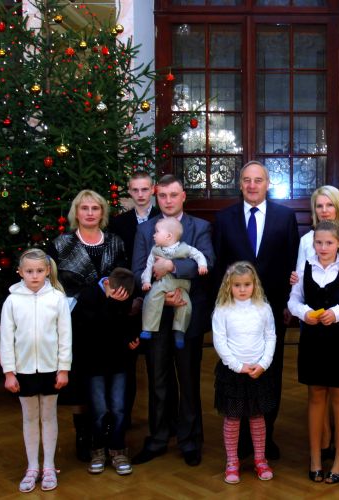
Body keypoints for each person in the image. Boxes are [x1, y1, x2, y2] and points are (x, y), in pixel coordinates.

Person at [214, 160, 300, 459]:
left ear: (267, 184)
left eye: (258, 180)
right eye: (247, 180)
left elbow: (292, 262)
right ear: (240, 184)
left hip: (272, 309)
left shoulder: (285, 217)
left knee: (270, 373)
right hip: (234, 312)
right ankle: (239, 441)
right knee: (236, 373)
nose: (252, 185)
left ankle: (266, 438)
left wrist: (289, 303)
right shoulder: (224, 219)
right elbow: (218, 266)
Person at [131, 174, 215, 467]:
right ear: (157, 197)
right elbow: (137, 270)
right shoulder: (145, 230)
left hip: (188, 313)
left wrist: (172, 266)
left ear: (183, 196)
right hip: (155, 315)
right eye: (163, 195)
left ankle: (189, 441)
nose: (168, 201)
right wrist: (162, 295)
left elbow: (207, 263)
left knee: (188, 380)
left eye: (173, 195)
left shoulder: (199, 227)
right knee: (158, 379)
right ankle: (157, 438)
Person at [47, 189, 127, 462]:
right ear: (76, 213)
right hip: (77, 323)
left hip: (111, 323)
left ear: (102, 213)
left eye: (95, 208)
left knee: (111, 383)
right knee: (82, 383)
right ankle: (85, 436)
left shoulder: (116, 241)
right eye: (85, 208)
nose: (90, 213)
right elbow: (53, 284)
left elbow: (124, 278)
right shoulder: (61, 244)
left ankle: (110, 438)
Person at [288, 221, 339, 484]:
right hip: (312, 342)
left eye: (329, 243)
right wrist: (304, 313)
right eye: (319, 243)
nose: (323, 248)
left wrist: (337, 313)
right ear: (313, 243)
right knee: (315, 397)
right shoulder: (304, 268)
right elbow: (294, 300)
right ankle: (315, 457)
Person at [0, 248, 72, 493]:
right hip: (23, 370)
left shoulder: (57, 299)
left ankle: (49, 466)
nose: (34, 276)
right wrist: (9, 372)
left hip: (51, 369)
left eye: (39, 271)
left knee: (49, 416)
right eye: (29, 271)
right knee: (29, 418)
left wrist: (63, 368)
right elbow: (6, 338)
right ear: (20, 272)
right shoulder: (12, 301)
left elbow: (65, 336)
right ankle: (32, 467)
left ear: (47, 271)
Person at [212, 262, 277, 484]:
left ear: (254, 284)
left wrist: (264, 363)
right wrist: (237, 366)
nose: (242, 289)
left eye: (247, 284)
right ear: (228, 286)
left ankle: (260, 459)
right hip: (234, 373)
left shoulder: (263, 308)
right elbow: (220, 341)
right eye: (237, 285)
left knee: (257, 417)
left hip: (258, 371)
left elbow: (270, 336)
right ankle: (232, 461)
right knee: (233, 417)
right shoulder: (222, 310)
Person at [72, 267, 138, 476]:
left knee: (119, 408)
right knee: (98, 409)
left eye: (124, 296)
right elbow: (91, 327)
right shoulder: (89, 295)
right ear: (107, 283)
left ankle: (118, 448)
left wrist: (132, 339)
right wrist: (111, 303)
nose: (121, 298)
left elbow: (127, 323)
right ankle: (98, 449)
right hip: (94, 364)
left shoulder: (125, 294)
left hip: (119, 362)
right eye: (117, 294)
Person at [107, 170, 160, 430]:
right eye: (135, 190)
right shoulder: (119, 223)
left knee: (157, 364)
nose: (140, 195)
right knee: (126, 364)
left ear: (153, 190)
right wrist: (130, 298)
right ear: (129, 191)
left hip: (158, 297)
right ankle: (123, 419)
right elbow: (117, 263)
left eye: (145, 189)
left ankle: (160, 422)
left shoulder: (163, 218)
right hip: (128, 300)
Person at [140, 217, 208, 349]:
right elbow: (148, 267)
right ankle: (148, 328)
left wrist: (202, 265)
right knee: (151, 298)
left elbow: (198, 255)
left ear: (168, 236)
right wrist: (146, 281)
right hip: (161, 284)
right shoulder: (155, 250)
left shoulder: (185, 248)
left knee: (185, 305)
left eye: (157, 232)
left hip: (181, 285)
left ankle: (179, 331)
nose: (154, 235)